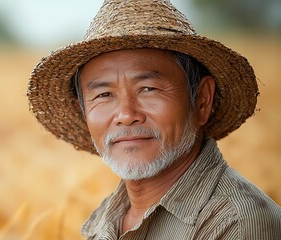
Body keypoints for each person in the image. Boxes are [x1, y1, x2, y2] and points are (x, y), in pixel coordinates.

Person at [27, 0, 281, 239]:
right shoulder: (109, 215)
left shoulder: (237, 223)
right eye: (104, 95)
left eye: (148, 89)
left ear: (202, 100)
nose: (126, 115)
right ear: (84, 113)